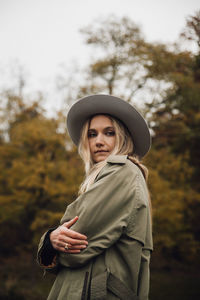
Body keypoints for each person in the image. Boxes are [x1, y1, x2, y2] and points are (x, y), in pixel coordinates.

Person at [37, 94, 153, 300]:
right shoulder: (109, 178)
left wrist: (51, 241)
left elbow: (74, 247)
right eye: (92, 134)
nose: (99, 141)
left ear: (123, 137)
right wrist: (51, 239)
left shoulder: (123, 171)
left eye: (109, 133)